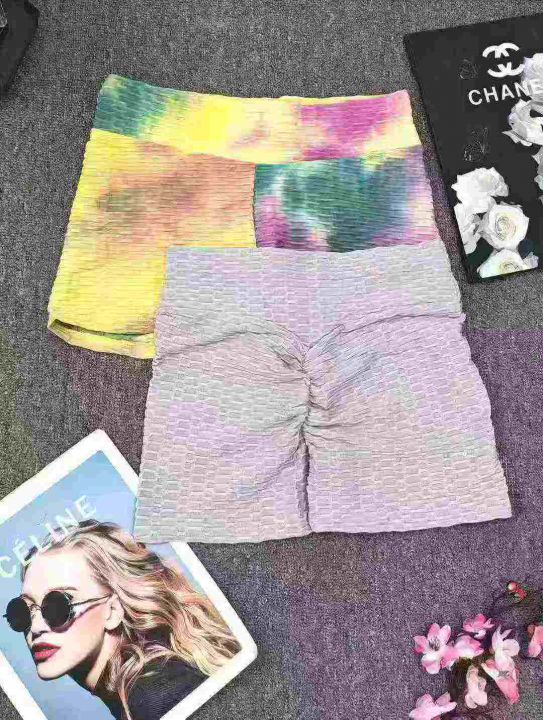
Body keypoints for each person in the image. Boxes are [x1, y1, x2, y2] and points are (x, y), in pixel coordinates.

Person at [3, 520, 241, 720]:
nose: (36, 628)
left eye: (57, 606)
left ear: (113, 611)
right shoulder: (144, 690)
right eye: (22, 612)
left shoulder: (159, 699)